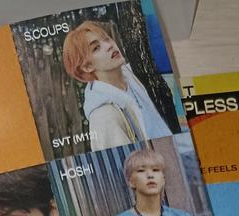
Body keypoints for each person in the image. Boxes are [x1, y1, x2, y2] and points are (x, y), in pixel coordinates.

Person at [62, 20, 172, 150]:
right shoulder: (103, 117)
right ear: (87, 67)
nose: (109, 46)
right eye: (96, 48)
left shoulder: (135, 73)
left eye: (106, 39)